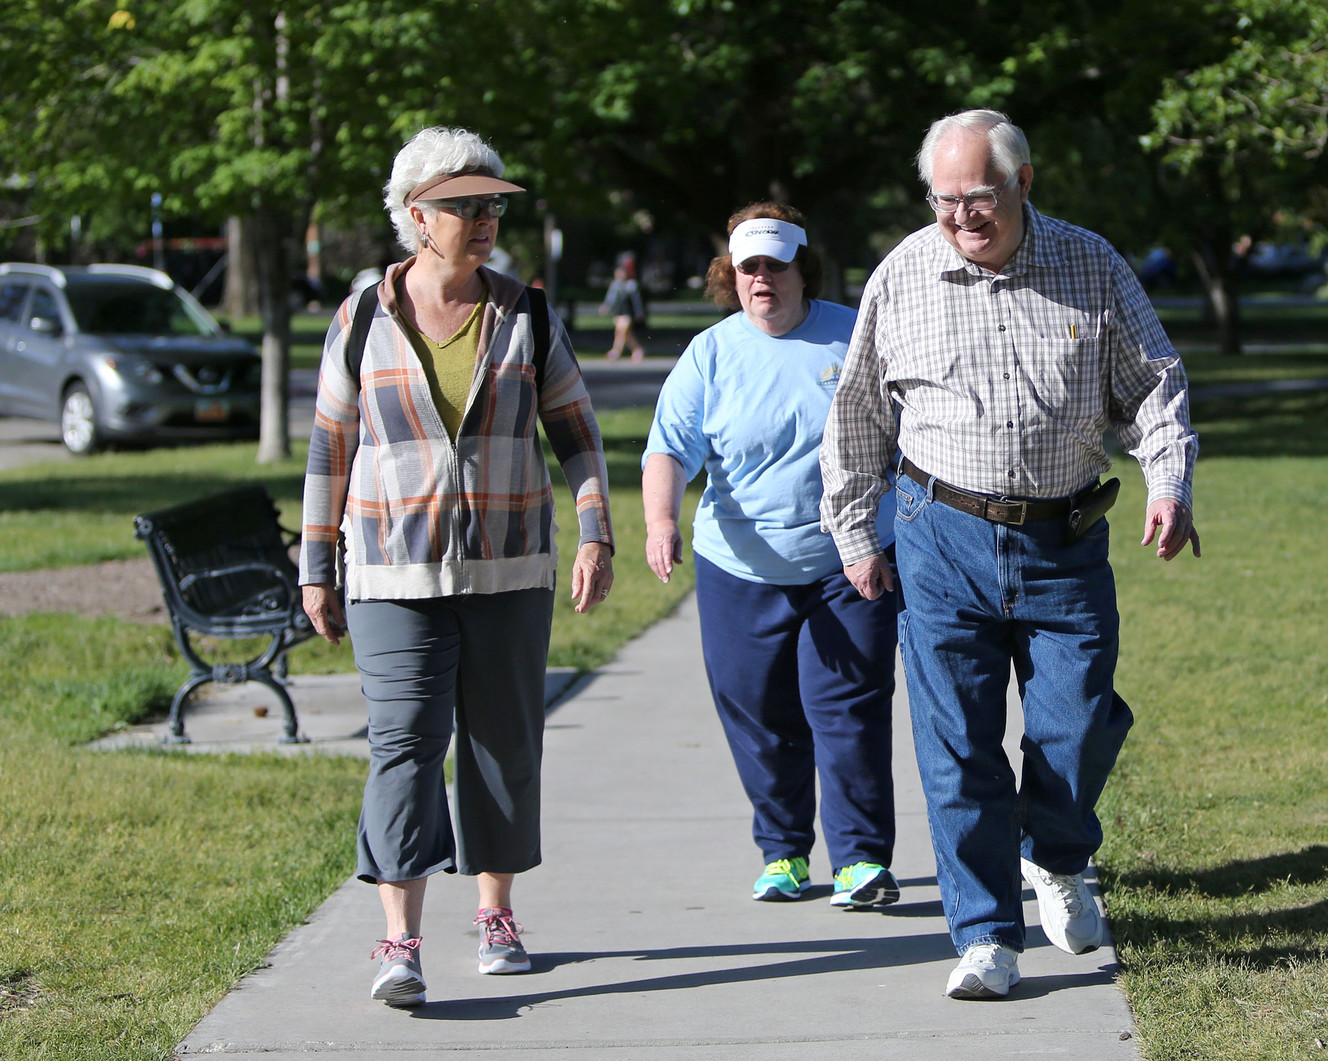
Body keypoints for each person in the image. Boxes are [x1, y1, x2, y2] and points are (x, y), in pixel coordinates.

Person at [820, 109, 1200, 1000]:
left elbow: (1155, 385)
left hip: (1063, 536)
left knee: (1078, 716)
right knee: (957, 742)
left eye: (978, 197)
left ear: (1024, 182)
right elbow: (857, 415)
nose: (960, 217)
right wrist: (854, 531)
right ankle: (986, 933)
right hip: (936, 527)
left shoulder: (1091, 264)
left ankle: (1057, 852)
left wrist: (1169, 481)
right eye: (944, 200)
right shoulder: (904, 273)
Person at [299, 126, 615, 1008]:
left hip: (509, 570)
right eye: (463, 206)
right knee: (404, 744)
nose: (483, 220)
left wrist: (595, 533)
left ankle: (495, 914)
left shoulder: (527, 312)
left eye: (491, 206)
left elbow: (579, 435)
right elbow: (331, 446)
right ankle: (399, 941)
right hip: (392, 574)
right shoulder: (361, 317)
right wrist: (314, 564)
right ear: (416, 218)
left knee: (502, 744)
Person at [643, 202, 899, 911]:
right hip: (740, 566)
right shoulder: (713, 352)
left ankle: (861, 859)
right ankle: (783, 850)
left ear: (800, 267)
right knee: (756, 709)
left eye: (775, 265)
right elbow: (668, 446)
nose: (762, 279)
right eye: (747, 267)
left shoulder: (854, 335)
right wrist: (660, 520)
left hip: (849, 561)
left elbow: (909, 431)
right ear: (731, 274)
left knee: (846, 705)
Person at [600, 253, 646, 361]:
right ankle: (637, 350)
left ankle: (615, 351)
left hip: (627, 313)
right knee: (626, 334)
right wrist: (606, 307)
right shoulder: (615, 286)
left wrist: (639, 312)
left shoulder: (631, 285)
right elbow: (610, 299)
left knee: (620, 331)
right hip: (618, 313)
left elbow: (636, 302)